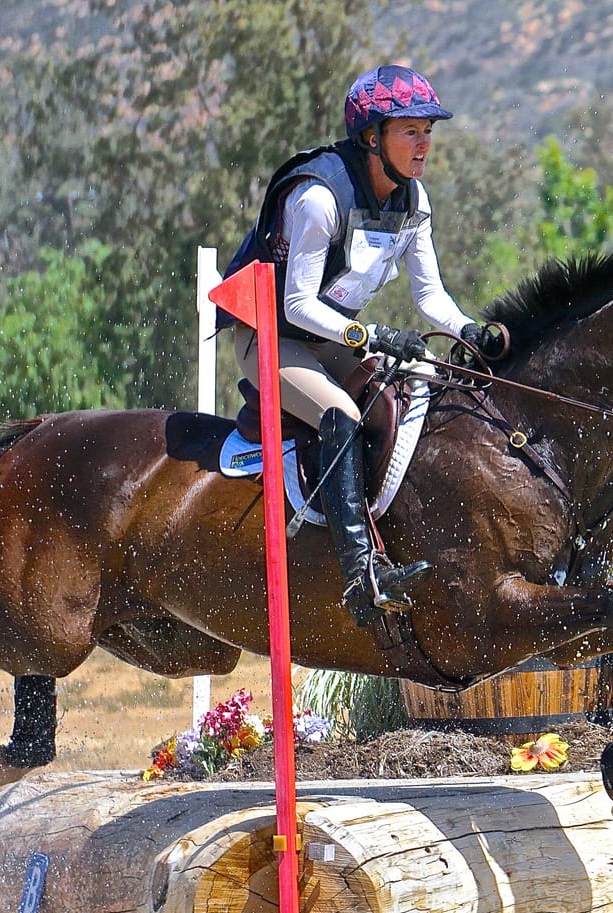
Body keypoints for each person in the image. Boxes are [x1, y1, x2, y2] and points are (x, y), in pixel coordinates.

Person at [225, 64, 500, 627]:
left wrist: (469, 329)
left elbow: (432, 297)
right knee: (340, 411)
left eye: (429, 130)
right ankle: (359, 576)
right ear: (372, 136)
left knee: (405, 396)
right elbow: (297, 304)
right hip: (271, 337)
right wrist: (370, 335)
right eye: (411, 131)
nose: (424, 144)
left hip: (329, 339)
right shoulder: (319, 197)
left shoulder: (412, 199)